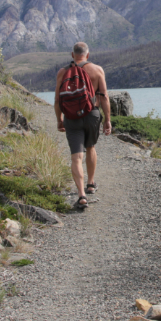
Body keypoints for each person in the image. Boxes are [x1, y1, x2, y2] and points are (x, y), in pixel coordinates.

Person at [54, 41, 112, 209]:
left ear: (72, 55)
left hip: (71, 117)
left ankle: (81, 195)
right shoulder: (97, 70)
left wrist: (59, 119)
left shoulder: (63, 72)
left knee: (76, 157)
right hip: (92, 113)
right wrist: (107, 119)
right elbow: (105, 96)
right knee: (91, 147)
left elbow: (58, 100)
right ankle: (91, 183)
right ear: (88, 55)